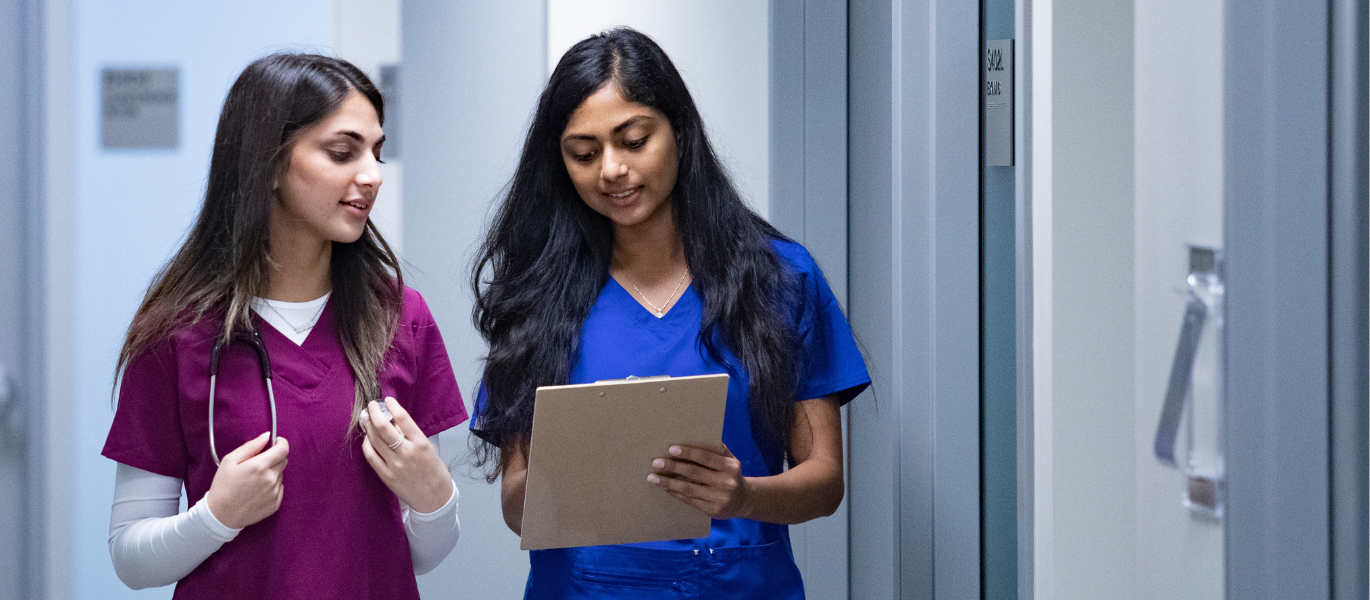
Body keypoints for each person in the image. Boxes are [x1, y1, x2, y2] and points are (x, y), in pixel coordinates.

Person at [469, 28, 870, 599]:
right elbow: (516, 499)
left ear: (679, 131)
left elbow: (824, 480)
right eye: (584, 153)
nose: (611, 169)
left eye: (634, 141)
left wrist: (743, 496)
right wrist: (570, 481)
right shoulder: (536, 296)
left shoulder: (779, 278)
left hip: (739, 583)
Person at [102, 53, 466, 598]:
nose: (372, 175)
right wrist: (217, 516)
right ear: (268, 164)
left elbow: (411, 554)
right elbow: (131, 557)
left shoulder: (399, 315)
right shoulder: (176, 335)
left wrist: (438, 501)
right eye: (343, 152)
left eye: (377, 152)